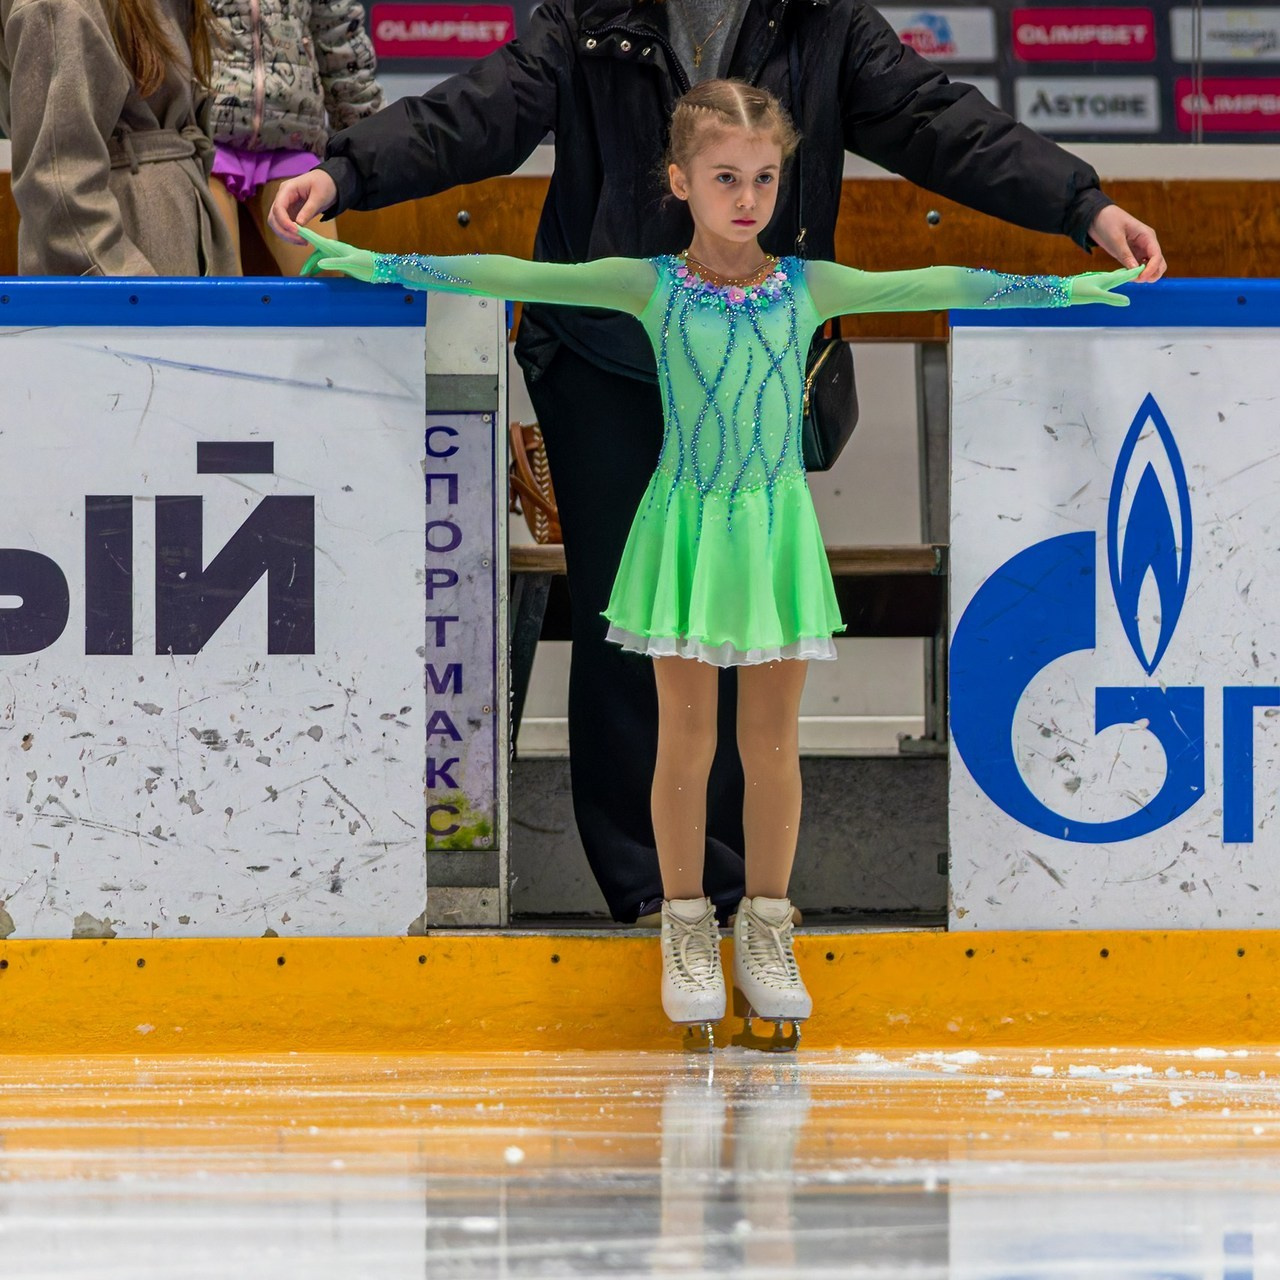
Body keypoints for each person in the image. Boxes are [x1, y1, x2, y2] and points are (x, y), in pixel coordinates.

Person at [267, 0, 1166, 929]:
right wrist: (345, 174)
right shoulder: (592, 15)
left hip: (754, 359)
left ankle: (743, 896)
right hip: (602, 358)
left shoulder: (824, 21)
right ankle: (655, 896)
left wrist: (1082, 205)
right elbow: (478, 110)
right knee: (632, 630)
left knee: (747, 629)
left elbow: (944, 123)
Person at [0, 0, 238, 276]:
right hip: (127, 233)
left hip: (171, 218)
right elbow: (57, 182)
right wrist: (130, 290)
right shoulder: (57, 7)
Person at [205, 0, 382, 275]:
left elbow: (339, 34)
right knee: (216, 289)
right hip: (208, 143)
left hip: (292, 139)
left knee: (324, 279)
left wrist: (370, 146)